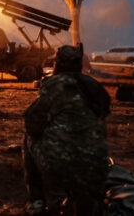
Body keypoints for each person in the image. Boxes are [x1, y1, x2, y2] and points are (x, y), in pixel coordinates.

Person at [23, 44, 111, 215]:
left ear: (58, 64)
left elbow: (32, 124)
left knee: (28, 138)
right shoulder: (94, 87)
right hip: (97, 163)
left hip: (62, 162)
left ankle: (37, 201)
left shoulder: (54, 85)